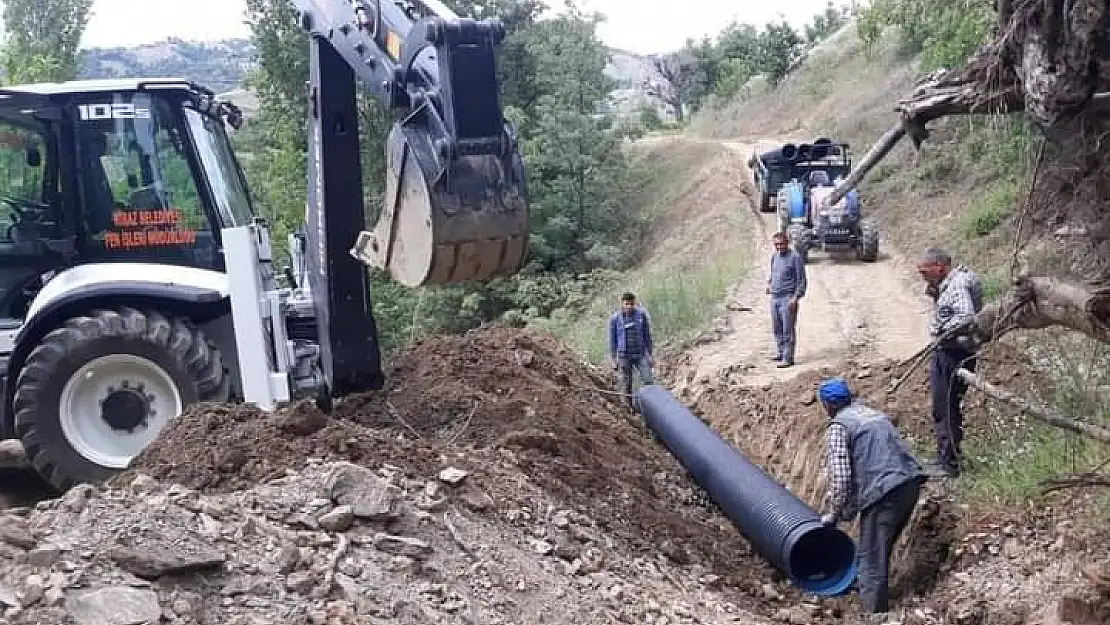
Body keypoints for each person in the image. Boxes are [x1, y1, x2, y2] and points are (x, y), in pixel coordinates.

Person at [818, 377, 925, 615]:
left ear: (827, 406)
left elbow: (842, 476)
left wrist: (834, 514)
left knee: (872, 557)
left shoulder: (839, 427)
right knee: (878, 547)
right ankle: (869, 588)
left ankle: (875, 614)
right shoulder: (873, 415)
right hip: (910, 482)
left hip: (884, 492)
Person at [916, 247, 984, 478]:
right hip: (953, 351)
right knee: (945, 406)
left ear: (939, 267)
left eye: (925, 271)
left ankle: (949, 464)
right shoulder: (951, 284)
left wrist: (942, 332)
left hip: (952, 353)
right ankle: (946, 456)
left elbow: (965, 316)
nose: (922, 276)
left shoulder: (956, 286)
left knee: (944, 407)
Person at [766, 231, 807, 368]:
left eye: (781, 244)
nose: (779, 247)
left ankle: (788, 358)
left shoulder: (795, 258)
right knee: (777, 328)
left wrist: (795, 298)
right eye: (776, 245)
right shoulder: (774, 257)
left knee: (787, 329)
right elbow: (773, 273)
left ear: (787, 243)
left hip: (787, 298)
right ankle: (781, 352)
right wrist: (769, 285)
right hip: (775, 298)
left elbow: (801, 281)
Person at [608, 292, 654, 410]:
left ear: (635, 303)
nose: (629, 306)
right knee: (626, 383)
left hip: (640, 354)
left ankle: (650, 406)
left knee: (648, 380)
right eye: (627, 304)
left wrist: (651, 354)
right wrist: (613, 359)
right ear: (622, 304)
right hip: (624, 356)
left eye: (632, 304)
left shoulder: (641, 315)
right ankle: (630, 409)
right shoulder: (615, 319)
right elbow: (612, 340)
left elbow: (647, 335)